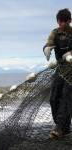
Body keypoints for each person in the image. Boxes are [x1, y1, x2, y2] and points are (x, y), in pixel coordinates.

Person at [43, 8, 72, 139]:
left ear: (69, 21)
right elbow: (49, 42)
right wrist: (46, 48)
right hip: (60, 69)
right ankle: (63, 127)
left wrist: (70, 54)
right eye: (58, 22)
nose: (60, 25)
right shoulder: (55, 33)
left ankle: (60, 128)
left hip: (71, 70)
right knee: (54, 98)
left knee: (66, 97)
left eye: (62, 22)